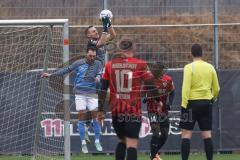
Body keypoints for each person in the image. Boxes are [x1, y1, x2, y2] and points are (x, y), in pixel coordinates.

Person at [97, 39, 159, 160]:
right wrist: (158, 101)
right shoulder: (140, 64)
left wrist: (100, 110)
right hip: (133, 112)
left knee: (122, 141)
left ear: (120, 50)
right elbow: (151, 85)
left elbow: (103, 89)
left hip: (117, 112)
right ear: (133, 49)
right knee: (132, 143)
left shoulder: (109, 65)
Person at [41, 47, 103, 153]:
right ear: (86, 54)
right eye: (90, 55)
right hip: (80, 94)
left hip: (92, 94)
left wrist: (98, 78)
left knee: (96, 118)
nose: (92, 58)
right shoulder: (78, 63)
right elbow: (66, 70)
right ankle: (83, 143)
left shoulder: (98, 63)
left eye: (94, 56)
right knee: (81, 118)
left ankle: (97, 141)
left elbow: (99, 75)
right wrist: (51, 75)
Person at [179, 44, 220, 160]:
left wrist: (183, 105)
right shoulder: (210, 67)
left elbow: (185, 88)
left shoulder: (189, 67)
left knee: (186, 135)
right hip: (206, 103)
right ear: (202, 54)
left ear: (191, 53)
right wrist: (213, 98)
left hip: (191, 104)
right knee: (207, 135)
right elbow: (217, 88)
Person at [143, 62, 175, 160]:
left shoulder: (168, 79)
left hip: (163, 111)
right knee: (156, 132)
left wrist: (170, 103)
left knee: (165, 135)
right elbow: (143, 93)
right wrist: (145, 97)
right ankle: (153, 157)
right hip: (152, 110)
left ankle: (154, 153)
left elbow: (172, 92)